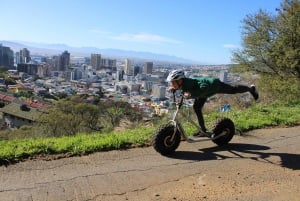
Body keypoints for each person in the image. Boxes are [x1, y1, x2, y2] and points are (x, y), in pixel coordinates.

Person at [166, 69, 259, 137]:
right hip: (204, 93)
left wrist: (191, 94)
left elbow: (203, 87)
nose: (171, 84)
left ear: (180, 80)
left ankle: (251, 89)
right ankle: (203, 130)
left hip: (214, 85)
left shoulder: (188, 83)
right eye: (171, 83)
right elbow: (185, 90)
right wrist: (174, 88)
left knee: (233, 89)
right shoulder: (181, 84)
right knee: (197, 108)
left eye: (173, 82)